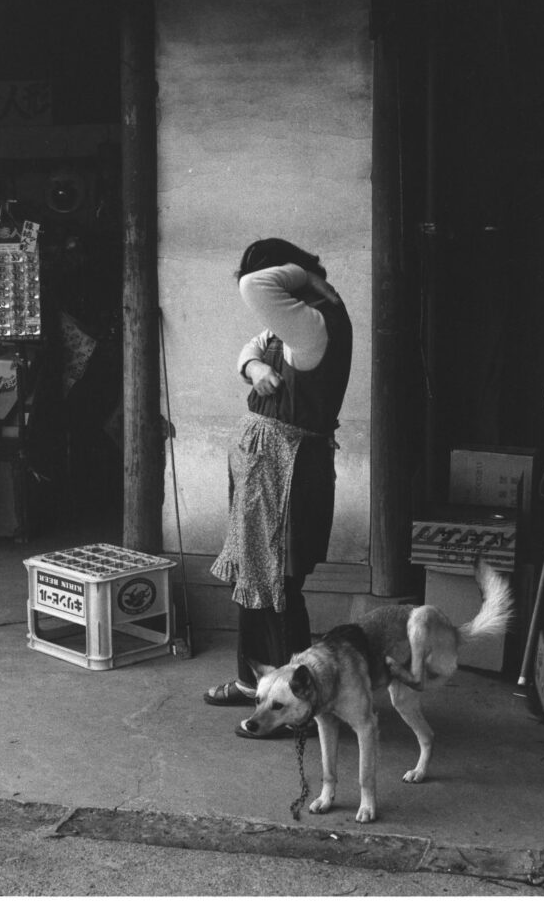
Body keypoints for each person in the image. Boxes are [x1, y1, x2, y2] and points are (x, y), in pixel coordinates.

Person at [204, 237, 353, 738]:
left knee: (279, 585)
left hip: (289, 470)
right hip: (263, 468)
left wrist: (305, 273)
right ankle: (253, 686)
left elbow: (254, 284)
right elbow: (252, 343)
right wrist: (255, 366)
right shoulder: (293, 321)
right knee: (252, 575)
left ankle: (294, 706)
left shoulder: (313, 324)